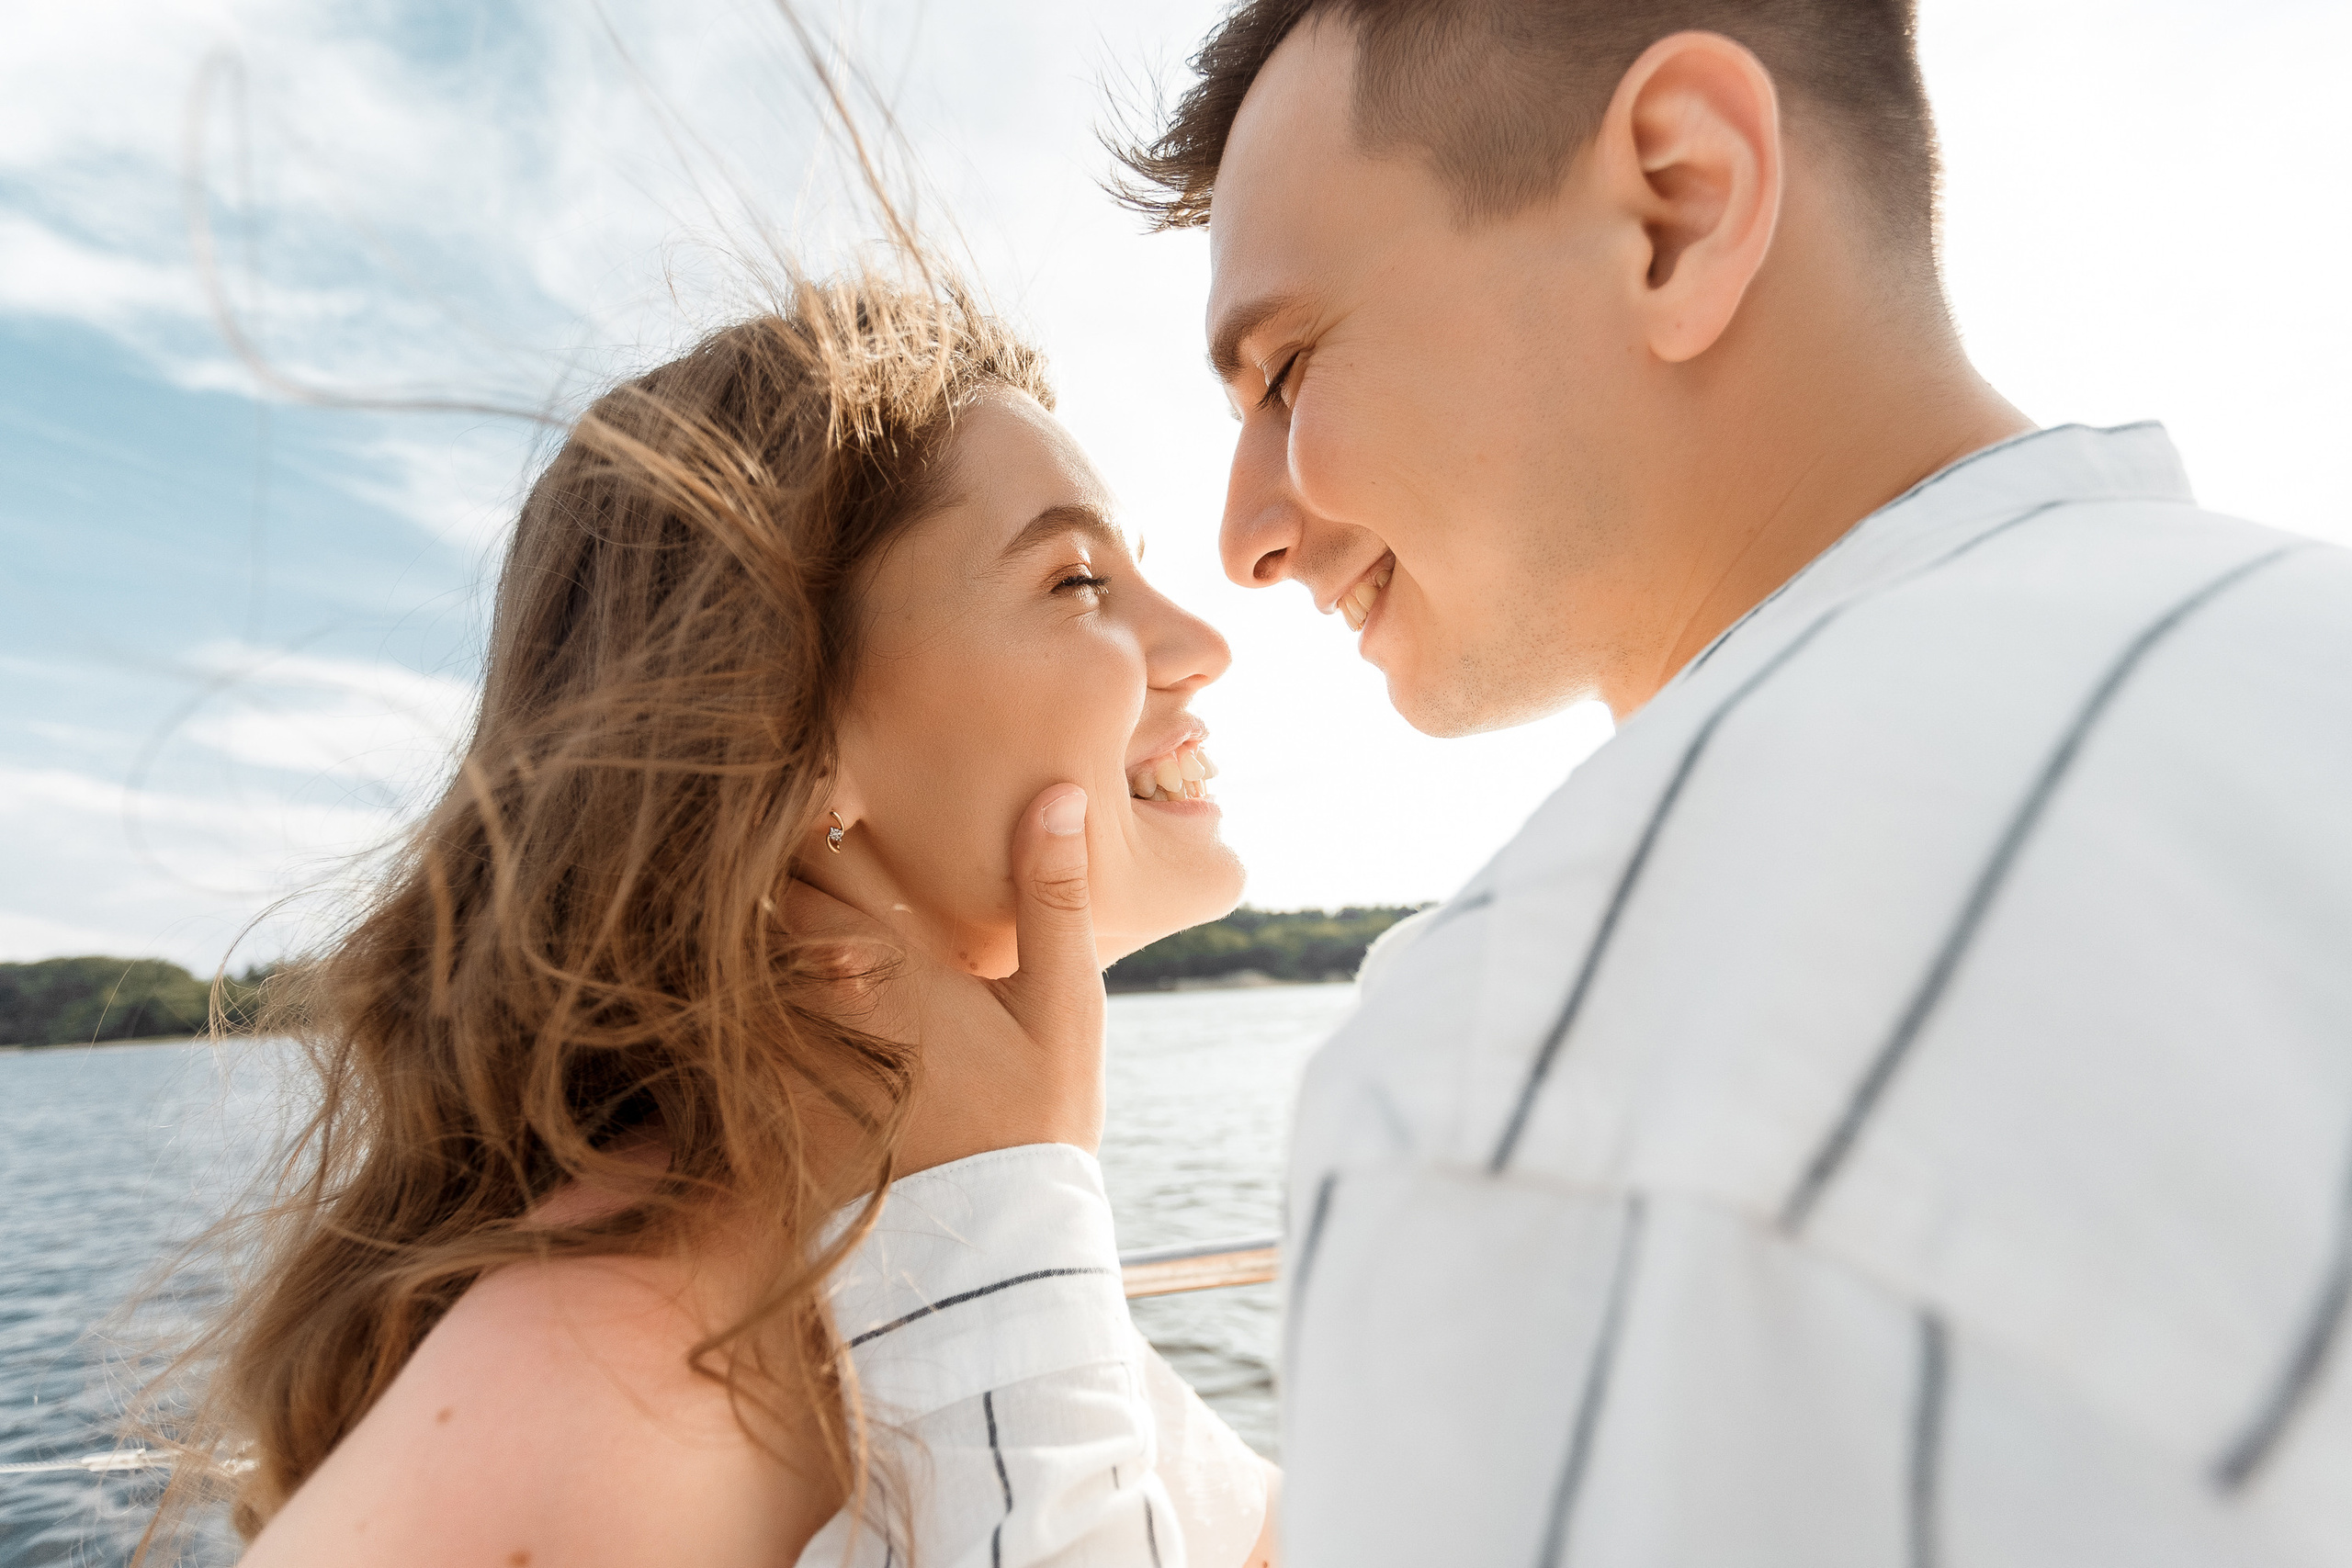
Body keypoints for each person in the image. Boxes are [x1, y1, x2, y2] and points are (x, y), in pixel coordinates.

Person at [911, 1, 2352, 1563]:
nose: (1249, 537)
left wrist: (995, 1261)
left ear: (1678, 206)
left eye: (1286, 369)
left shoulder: (1521, 1056)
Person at [166, 271, 1277, 1568]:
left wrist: (1014, 1203)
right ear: (790, 744)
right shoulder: (584, 1373)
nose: (1202, 640)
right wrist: (1013, 1211)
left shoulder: (934, 1233)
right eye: (1078, 582)